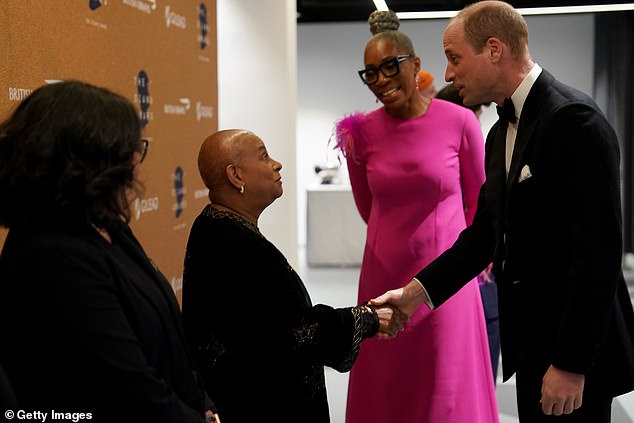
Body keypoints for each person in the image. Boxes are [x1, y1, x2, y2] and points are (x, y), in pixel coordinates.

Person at [372, 1, 634, 422]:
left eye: (454, 59)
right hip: (531, 344)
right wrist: (414, 293)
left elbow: (599, 256)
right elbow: (484, 236)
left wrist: (570, 364)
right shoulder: (498, 134)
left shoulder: (574, 120)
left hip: (572, 357)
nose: (447, 75)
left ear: (494, 50)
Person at [0, 80, 218, 423]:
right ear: (86, 160)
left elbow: (172, 344)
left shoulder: (108, 227)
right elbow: (130, 394)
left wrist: (204, 407)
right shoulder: (52, 258)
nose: (138, 166)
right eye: (129, 151)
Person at [332, 9, 498, 423]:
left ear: (416, 65)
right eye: (371, 73)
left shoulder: (460, 121)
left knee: (444, 382)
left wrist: (473, 264)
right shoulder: (358, 134)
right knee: (389, 383)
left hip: (448, 274)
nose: (382, 80)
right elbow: (367, 207)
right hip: (383, 273)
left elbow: (480, 205)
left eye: (391, 66)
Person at [181, 129, 406, 423]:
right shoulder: (234, 245)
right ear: (236, 176)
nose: (277, 164)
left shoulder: (218, 228)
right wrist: (365, 318)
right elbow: (296, 330)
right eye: (264, 156)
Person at [435, 82, 500, 383]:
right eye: (475, 114)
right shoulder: (452, 153)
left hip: (471, 254)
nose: (477, 122)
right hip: (465, 255)